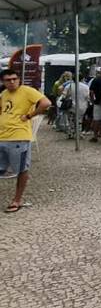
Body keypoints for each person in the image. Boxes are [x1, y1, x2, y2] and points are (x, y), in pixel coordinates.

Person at [0, 68, 51, 213]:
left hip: (18, 137)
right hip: (2, 136)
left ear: (19, 79)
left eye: (14, 79)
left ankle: (17, 200)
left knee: (21, 169)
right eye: (8, 80)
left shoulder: (27, 91)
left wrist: (29, 116)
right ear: (3, 82)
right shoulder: (4, 94)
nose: (12, 82)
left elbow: (46, 103)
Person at [59, 75, 90, 140]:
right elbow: (88, 97)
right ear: (82, 79)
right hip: (82, 106)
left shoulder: (69, 86)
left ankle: (71, 133)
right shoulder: (86, 87)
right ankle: (79, 134)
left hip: (71, 106)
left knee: (71, 120)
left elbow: (64, 96)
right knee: (79, 121)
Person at [89, 67, 101, 142]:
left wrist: (92, 100)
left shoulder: (96, 80)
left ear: (100, 71)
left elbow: (91, 92)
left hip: (97, 101)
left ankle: (95, 135)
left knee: (97, 119)